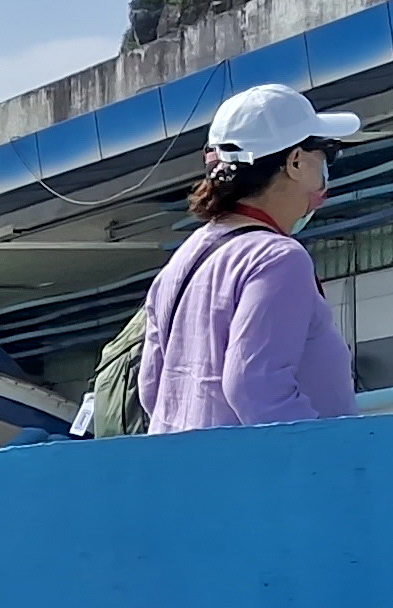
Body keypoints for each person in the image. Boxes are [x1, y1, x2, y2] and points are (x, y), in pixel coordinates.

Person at [138, 83, 361, 434]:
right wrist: (327, 456)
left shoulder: (183, 261)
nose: (325, 171)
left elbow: (153, 390)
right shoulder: (278, 258)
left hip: (180, 461)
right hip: (266, 467)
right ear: (296, 162)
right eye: (327, 153)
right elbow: (256, 386)